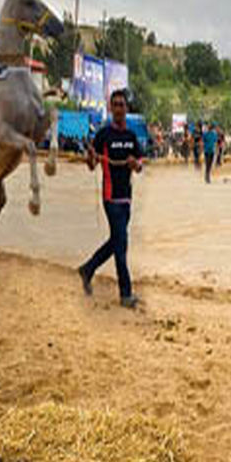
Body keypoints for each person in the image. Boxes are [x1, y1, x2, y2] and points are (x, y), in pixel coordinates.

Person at [78, 89, 144, 308]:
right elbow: (91, 166)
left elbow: (140, 166)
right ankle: (125, 295)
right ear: (110, 108)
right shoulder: (103, 135)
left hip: (126, 199)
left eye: (121, 104)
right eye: (114, 104)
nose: (118, 108)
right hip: (110, 197)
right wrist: (90, 157)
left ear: (126, 108)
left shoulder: (132, 137)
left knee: (117, 242)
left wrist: (136, 165)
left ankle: (87, 269)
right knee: (121, 244)